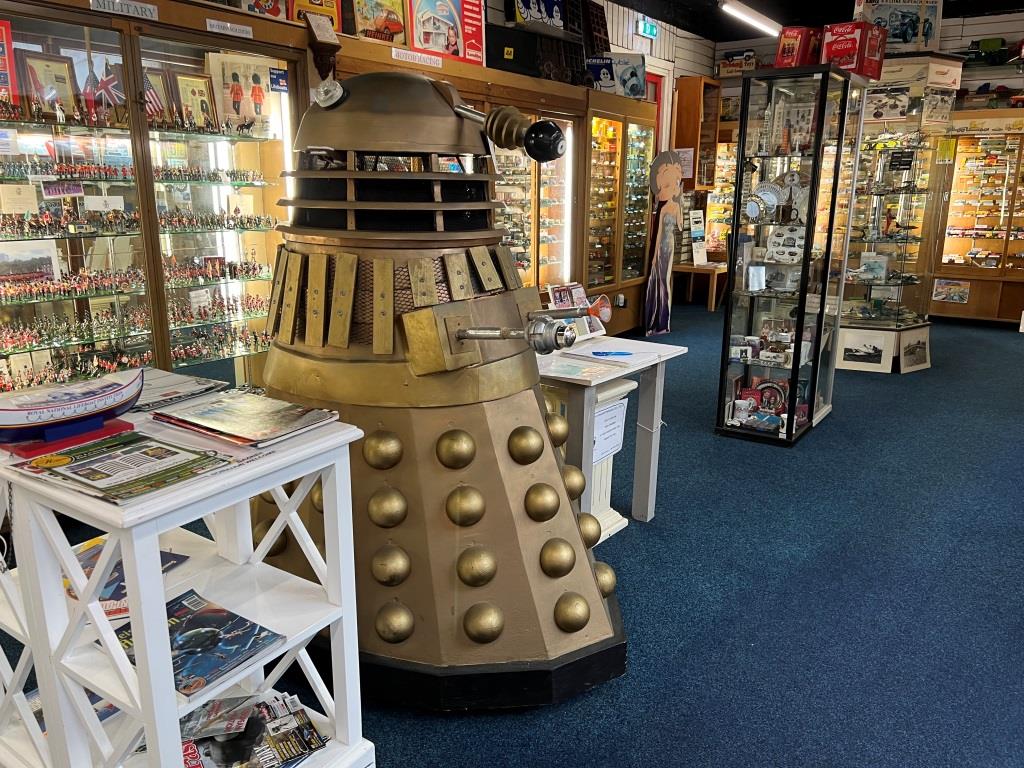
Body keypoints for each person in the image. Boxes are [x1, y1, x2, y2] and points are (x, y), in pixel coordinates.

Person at [644, 151, 685, 336]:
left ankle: (662, 319)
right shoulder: (662, 210)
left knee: (664, 280)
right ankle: (655, 319)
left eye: (672, 184)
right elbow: (659, 231)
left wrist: (681, 202)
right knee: (658, 280)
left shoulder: (675, 207)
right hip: (661, 247)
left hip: (670, 245)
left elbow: (681, 227)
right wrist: (653, 258)